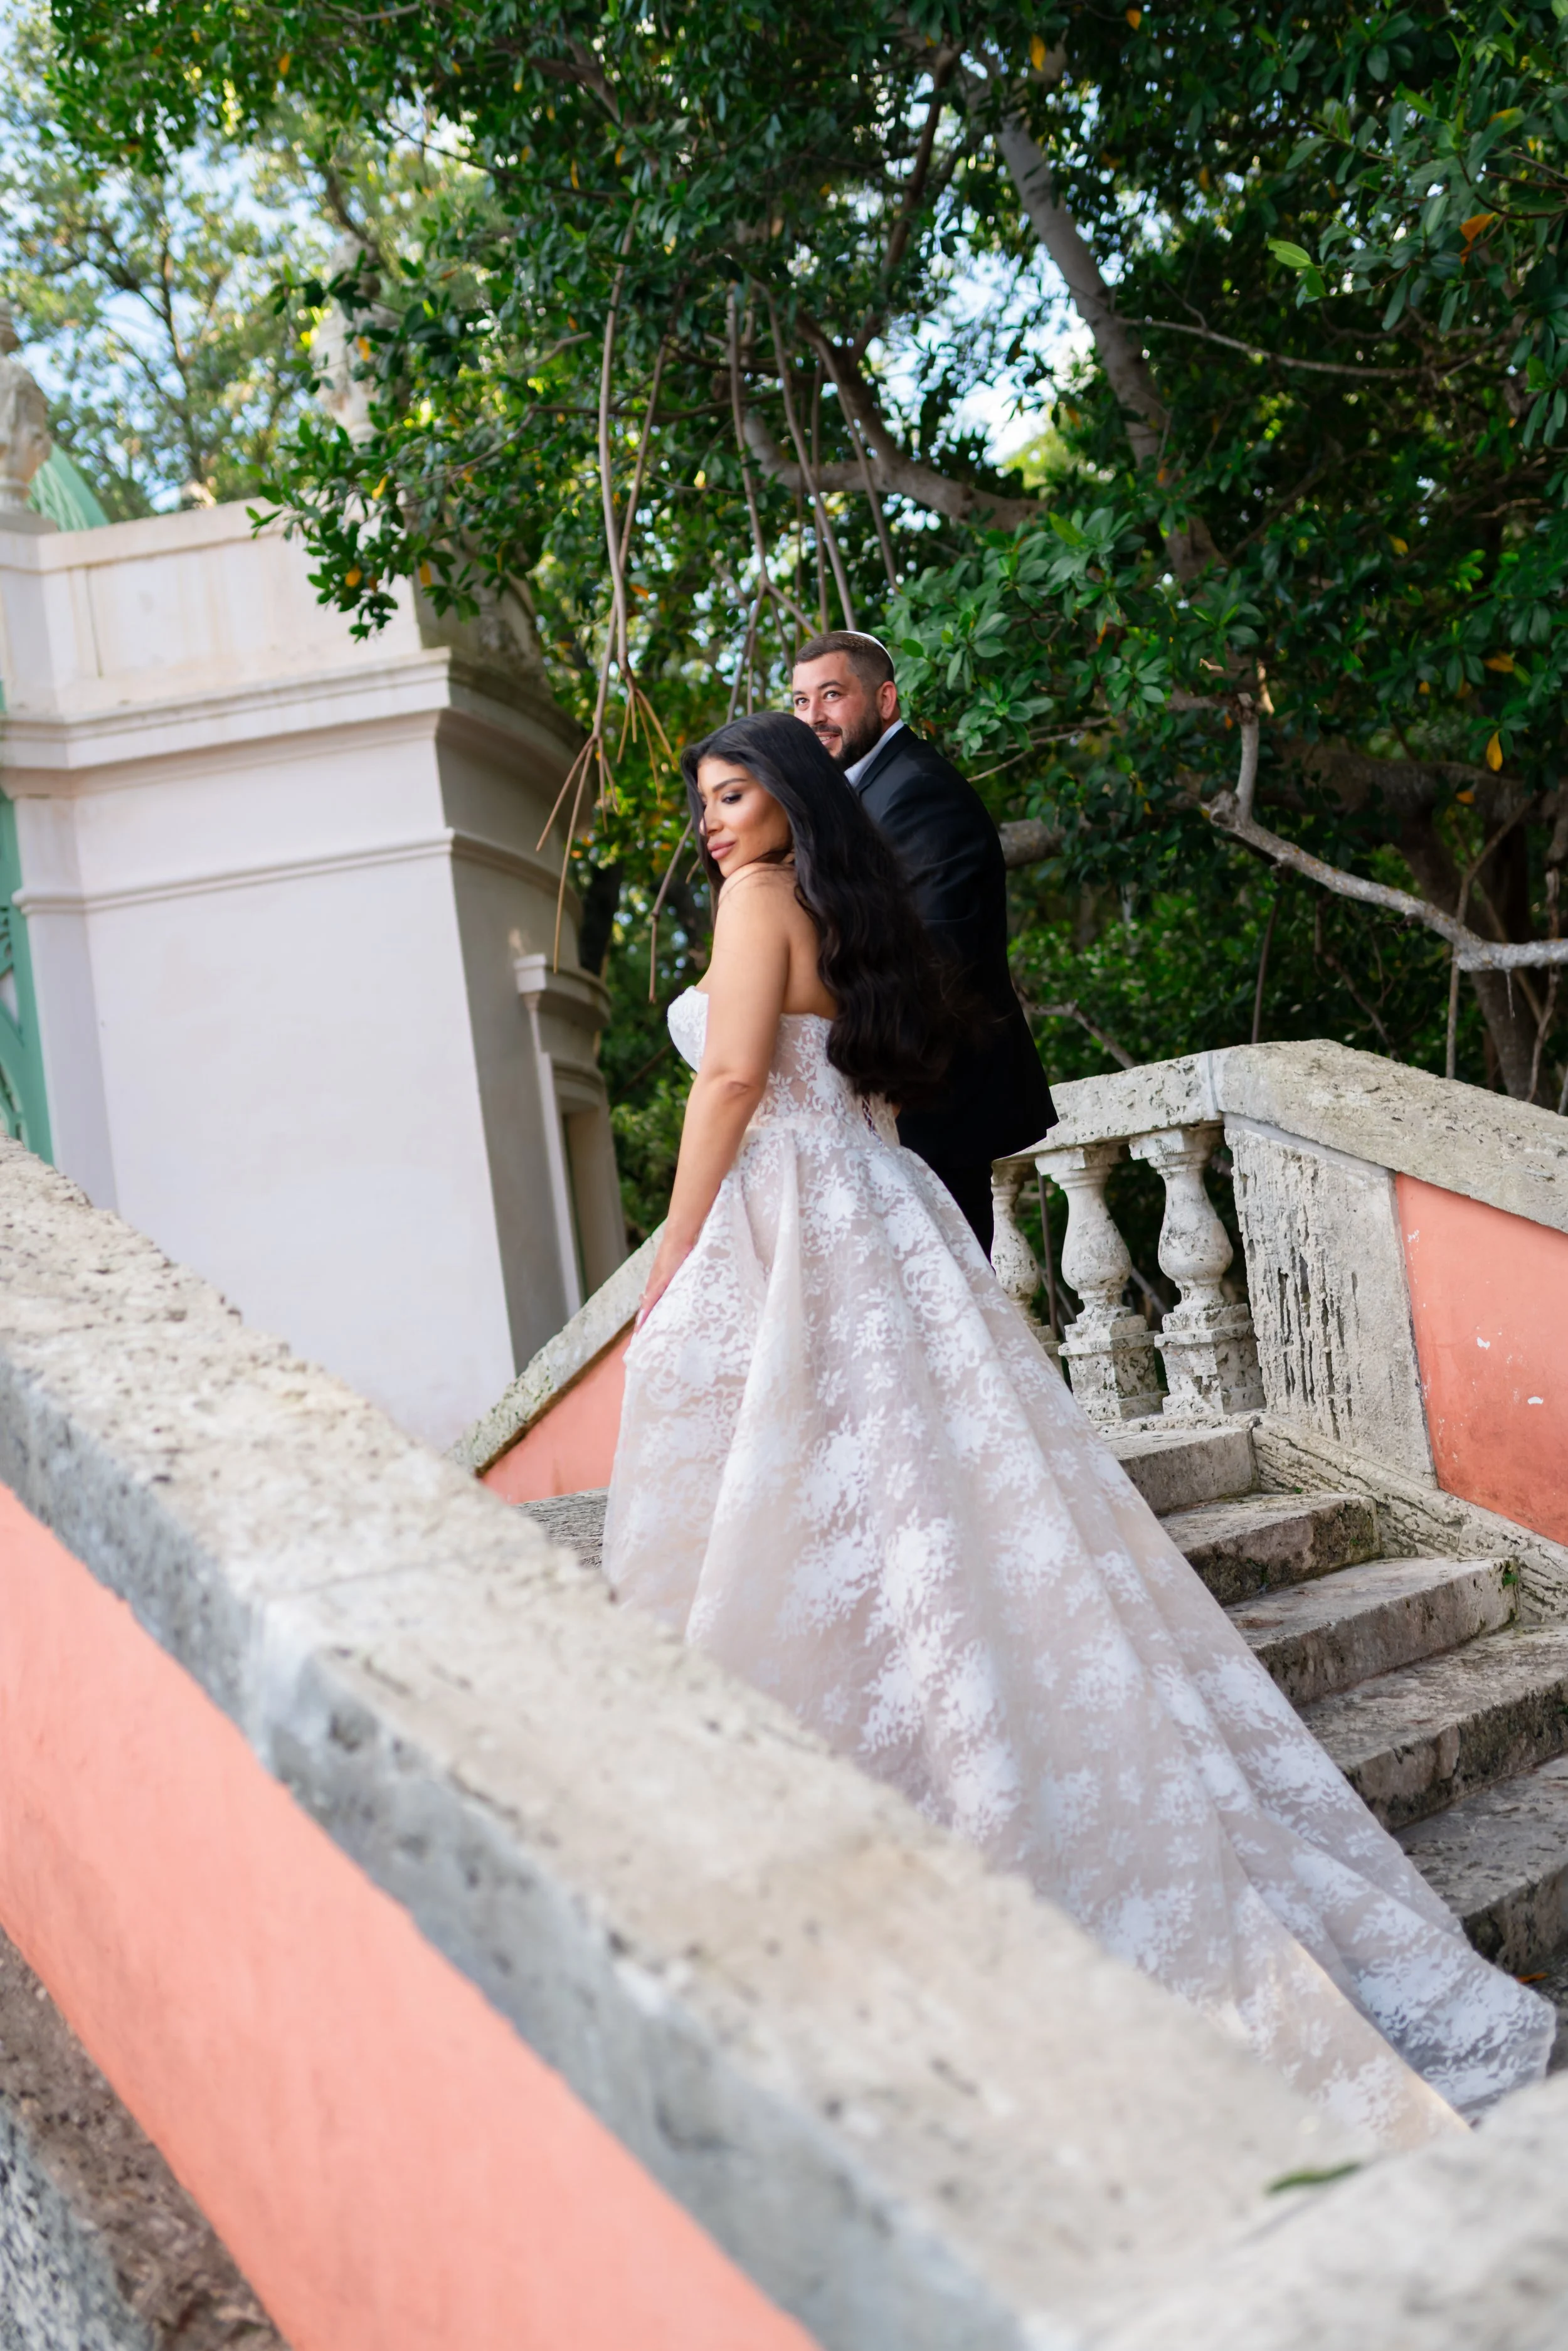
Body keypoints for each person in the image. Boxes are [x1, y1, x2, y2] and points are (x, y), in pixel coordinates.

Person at [605, 709, 1552, 2149]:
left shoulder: (752, 900)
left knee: (850, 1511)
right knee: (932, 1514)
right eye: (705, 803)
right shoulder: (845, 906)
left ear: (791, 795)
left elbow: (732, 1079)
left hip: (805, 1228)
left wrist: (673, 1258)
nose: (713, 823)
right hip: (886, 1217)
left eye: (733, 794)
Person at [790, 629, 1054, 1252]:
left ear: (885, 700)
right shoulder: (852, 796)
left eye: (831, 695)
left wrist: (879, 1084)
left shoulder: (917, 790)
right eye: (801, 702)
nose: (814, 717)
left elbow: (939, 955)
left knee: (952, 1312)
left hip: (929, 1099)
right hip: (893, 1104)